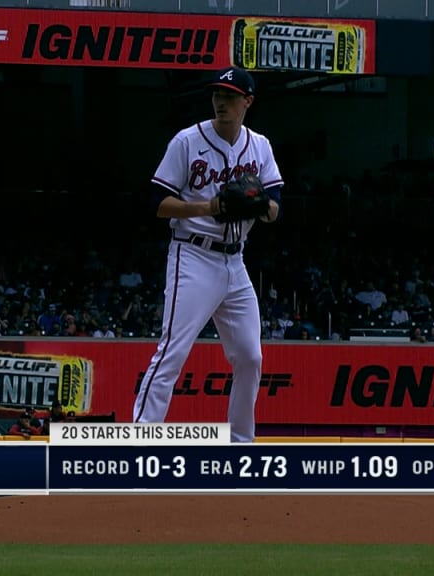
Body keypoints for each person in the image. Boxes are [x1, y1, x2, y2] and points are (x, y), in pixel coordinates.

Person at [133, 66, 283, 443]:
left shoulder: (260, 146)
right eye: (217, 94)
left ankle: (240, 444)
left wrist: (258, 205)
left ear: (247, 101)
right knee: (172, 352)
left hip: (236, 262)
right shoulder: (187, 141)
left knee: (250, 357)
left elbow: (275, 208)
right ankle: (139, 442)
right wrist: (211, 206)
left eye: (230, 96)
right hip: (193, 257)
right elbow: (156, 202)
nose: (221, 102)